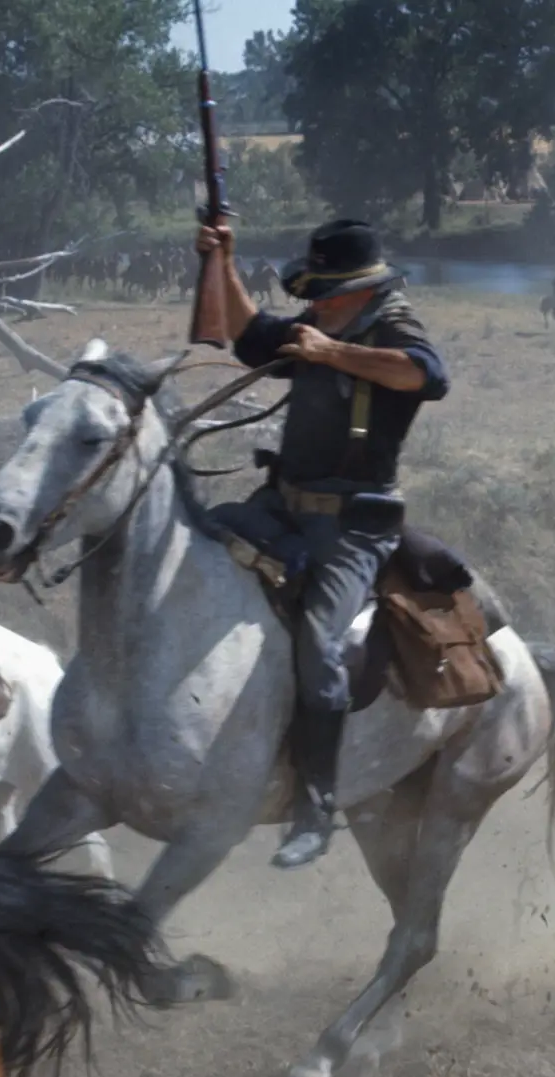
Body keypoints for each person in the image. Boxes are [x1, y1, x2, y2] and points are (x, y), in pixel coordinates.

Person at [194, 217, 450, 870]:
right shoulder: (321, 326)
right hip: (281, 507)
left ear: (359, 290)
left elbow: (426, 375)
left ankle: (314, 805)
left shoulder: (391, 327)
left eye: (325, 294)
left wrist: (330, 354)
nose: (313, 307)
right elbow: (250, 335)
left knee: (318, 643)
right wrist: (222, 259)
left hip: (354, 528)